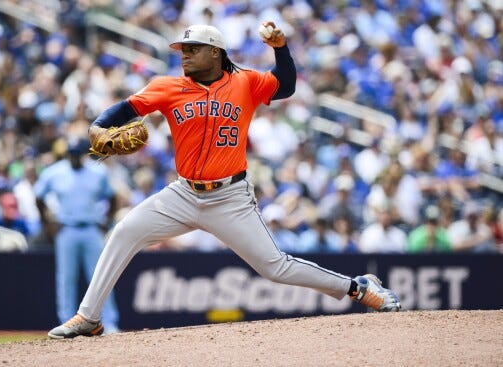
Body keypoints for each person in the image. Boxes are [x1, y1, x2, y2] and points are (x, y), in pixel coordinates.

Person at [48, 22, 401, 339]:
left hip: (230, 197)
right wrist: (97, 127)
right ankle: (89, 317)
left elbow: (287, 86)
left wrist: (280, 47)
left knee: (275, 266)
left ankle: (358, 288)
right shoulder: (168, 87)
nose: (184, 55)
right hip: (183, 194)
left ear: (216, 53)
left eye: (193, 49)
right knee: (124, 232)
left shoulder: (245, 82)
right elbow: (124, 110)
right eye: (182, 49)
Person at [35, 137, 120, 335]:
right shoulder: (55, 172)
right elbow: (38, 196)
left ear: (83, 155)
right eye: (70, 154)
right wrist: (47, 224)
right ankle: (66, 322)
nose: (73, 158)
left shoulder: (97, 171)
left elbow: (112, 196)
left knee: (101, 276)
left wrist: (105, 222)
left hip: (91, 228)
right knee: (66, 278)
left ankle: (109, 322)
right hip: (67, 229)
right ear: (67, 155)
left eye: (76, 154)